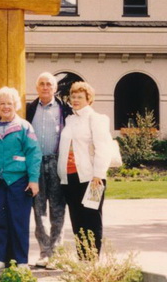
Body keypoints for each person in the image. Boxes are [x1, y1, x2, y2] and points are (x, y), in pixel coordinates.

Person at [0, 87, 41, 273]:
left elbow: (34, 154)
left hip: (19, 180)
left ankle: (21, 261)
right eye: (2, 103)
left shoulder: (24, 126)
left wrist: (34, 179)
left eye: (9, 103)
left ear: (15, 106)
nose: (5, 107)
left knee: (19, 220)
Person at [57, 81, 114, 256]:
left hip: (91, 179)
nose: (75, 100)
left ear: (88, 99)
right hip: (70, 178)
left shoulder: (97, 119)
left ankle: (92, 260)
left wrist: (98, 174)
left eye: (80, 97)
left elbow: (103, 148)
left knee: (92, 219)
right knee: (77, 220)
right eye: (73, 96)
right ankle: (82, 258)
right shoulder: (69, 119)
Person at [25, 72, 72, 268]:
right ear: (37, 88)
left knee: (58, 208)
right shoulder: (29, 109)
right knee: (38, 209)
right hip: (35, 163)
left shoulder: (64, 110)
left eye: (49, 84)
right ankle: (44, 252)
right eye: (42, 84)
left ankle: (56, 252)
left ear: (55, 88)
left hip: (56, 162)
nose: (45, 87)